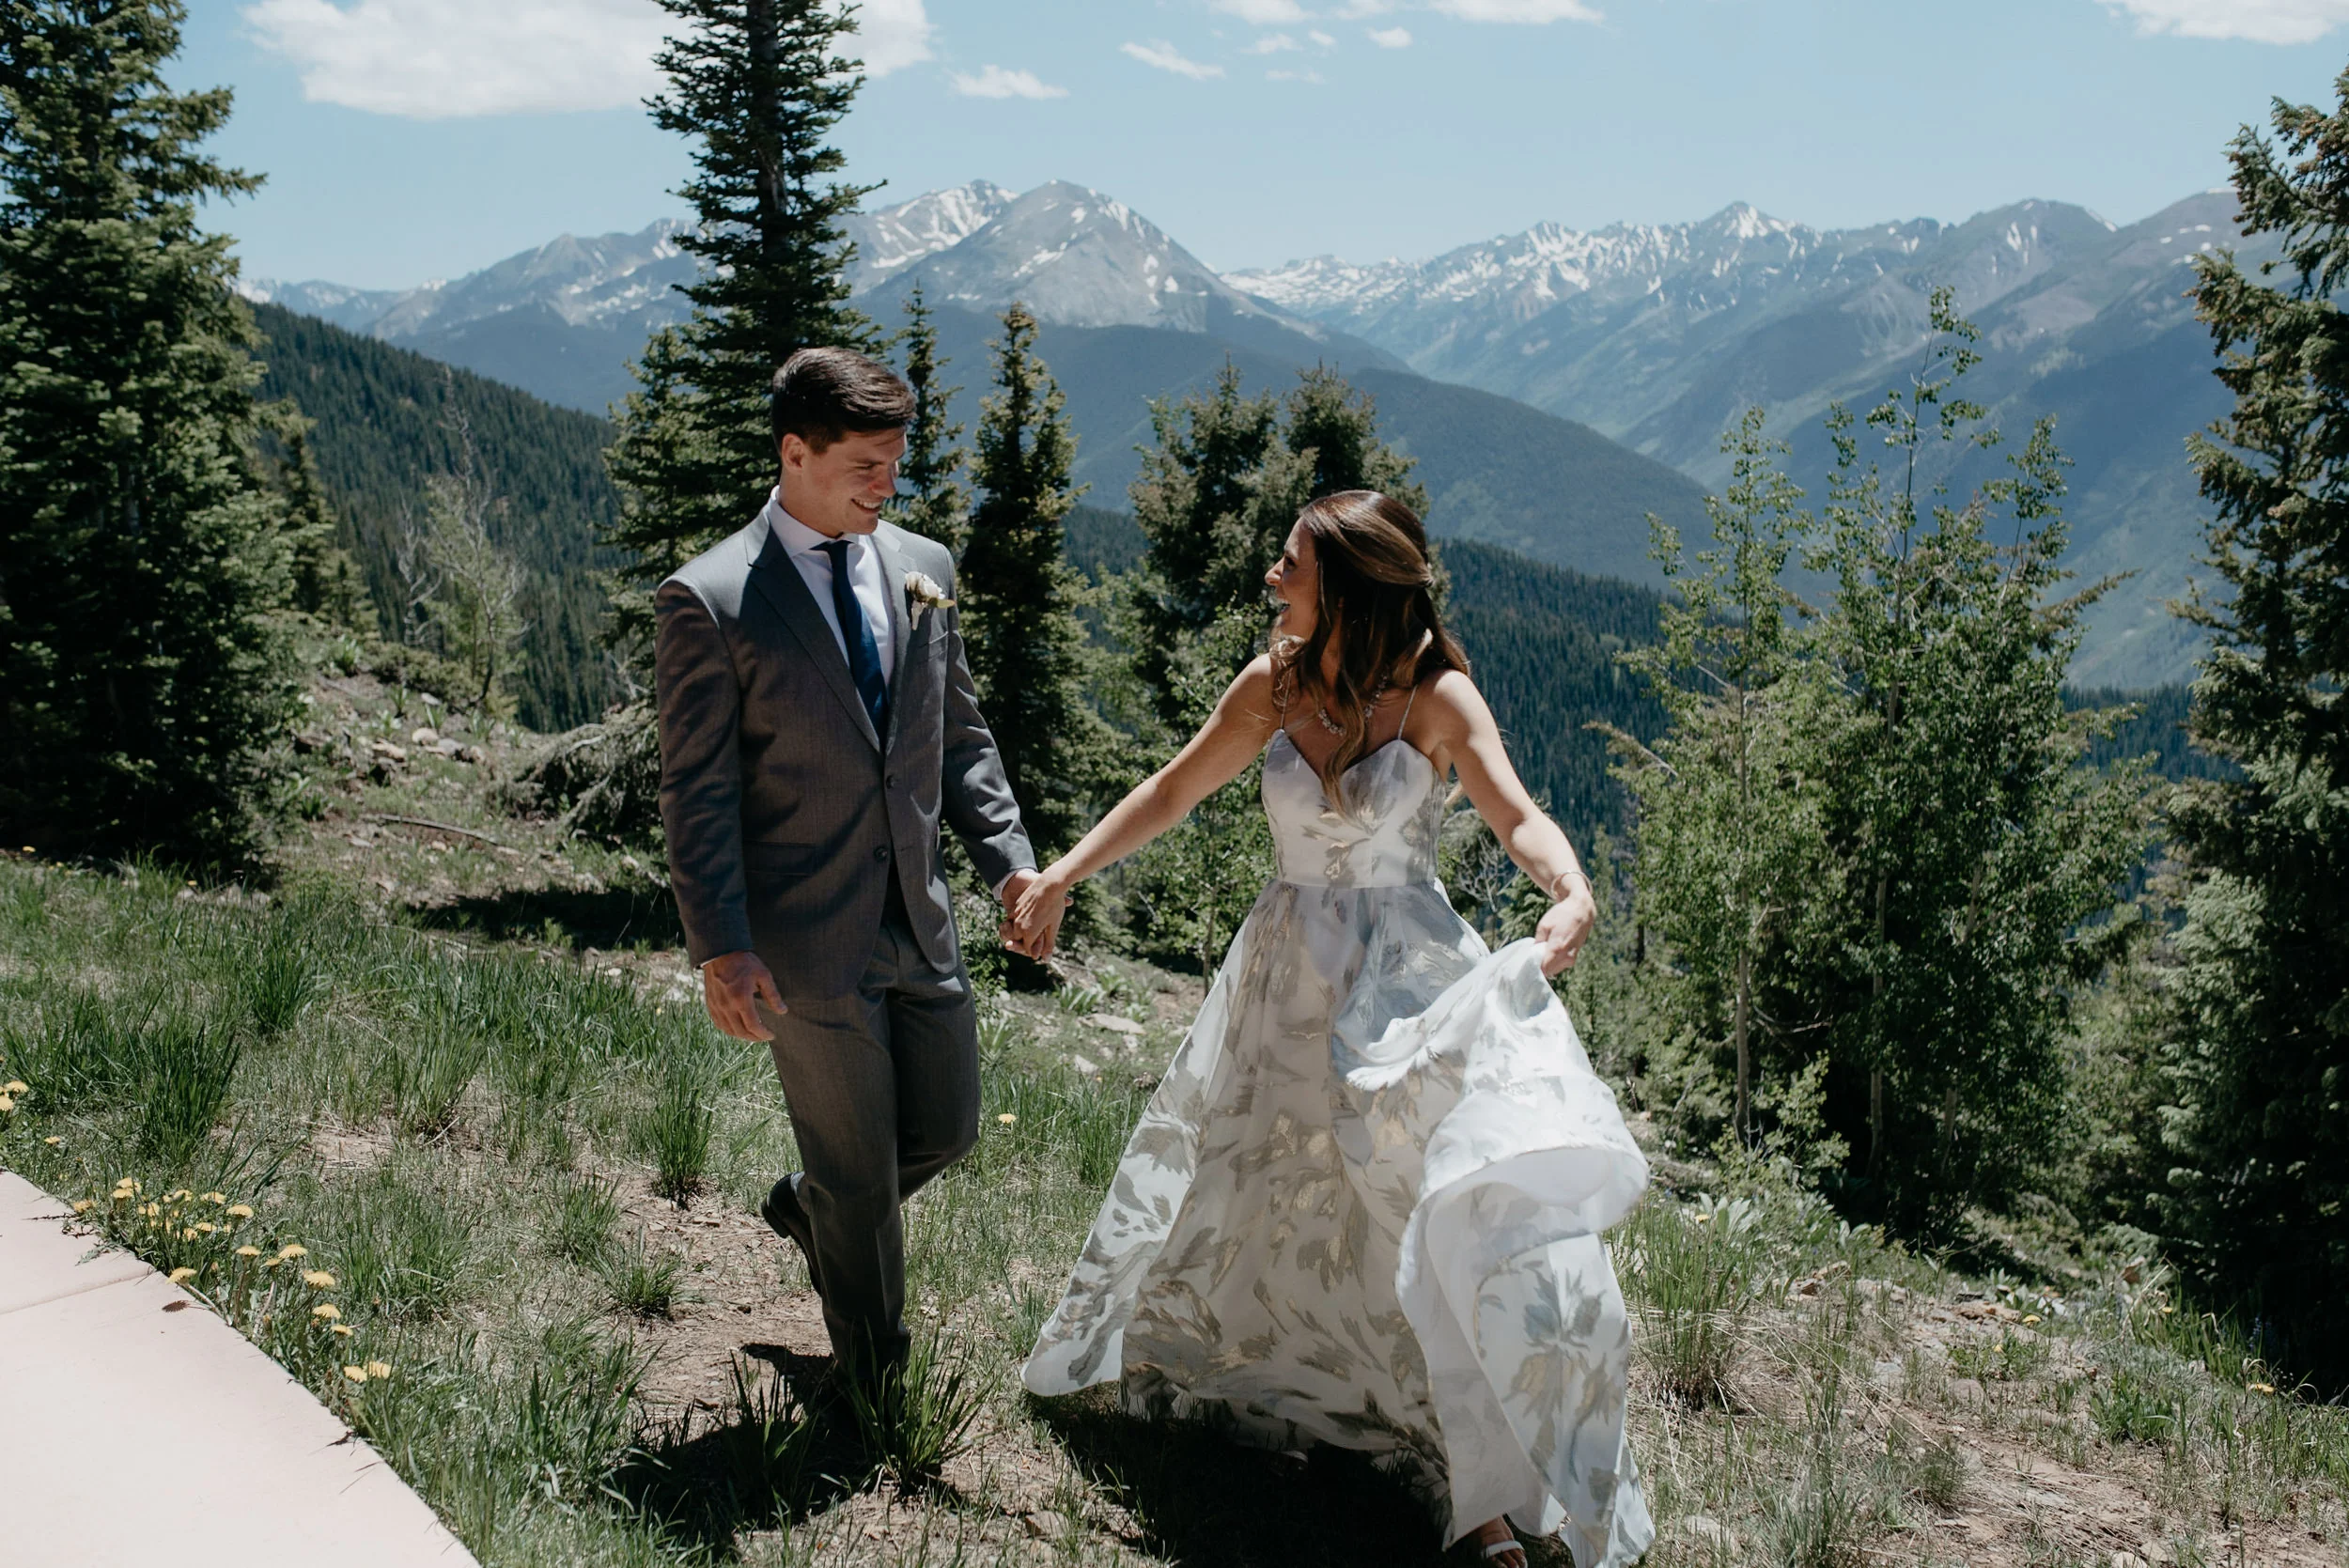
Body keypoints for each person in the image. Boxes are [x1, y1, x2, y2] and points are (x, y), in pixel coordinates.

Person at [1010, 490, 1654, 1567]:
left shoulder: (1438, 695)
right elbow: (1172, 790)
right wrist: (1063, 873)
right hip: (1282, 975)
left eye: (1290, 564)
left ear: (1348, 585)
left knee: (1411, 1205)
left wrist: (1571, 887)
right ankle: (1287, 1390)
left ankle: (1475, 1491)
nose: (1271, 577)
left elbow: (1516, 813)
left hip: (1404, 980)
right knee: (1269, 1183)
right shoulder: (1273, 683)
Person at [655, 346, 1044, 1380]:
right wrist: (721, 946)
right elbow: (698, 792)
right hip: (803, 941)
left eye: (895, 463)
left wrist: (1010, 864)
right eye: (866, 466)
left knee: (948, 1128)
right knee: (861, 1177)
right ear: (795, 453)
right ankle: (873, 1393)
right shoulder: (711, 598)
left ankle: (809, 1205)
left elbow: (960, 737)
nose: (888, 485)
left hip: (921, 913)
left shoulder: (925, 568)